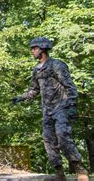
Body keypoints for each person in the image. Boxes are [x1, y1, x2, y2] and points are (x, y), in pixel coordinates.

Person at [12, 37, 89, 181]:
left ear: (42, 48)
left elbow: (70, 87)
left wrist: (71, 106)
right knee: (48, 141)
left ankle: (80, 169)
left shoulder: (56, 65)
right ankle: (59, 174)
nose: (32, 51)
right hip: (47, 111)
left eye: (34, 48)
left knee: (63, 138)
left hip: (61, 108)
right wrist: (20, 98)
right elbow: (33, 91)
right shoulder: (36, 70)